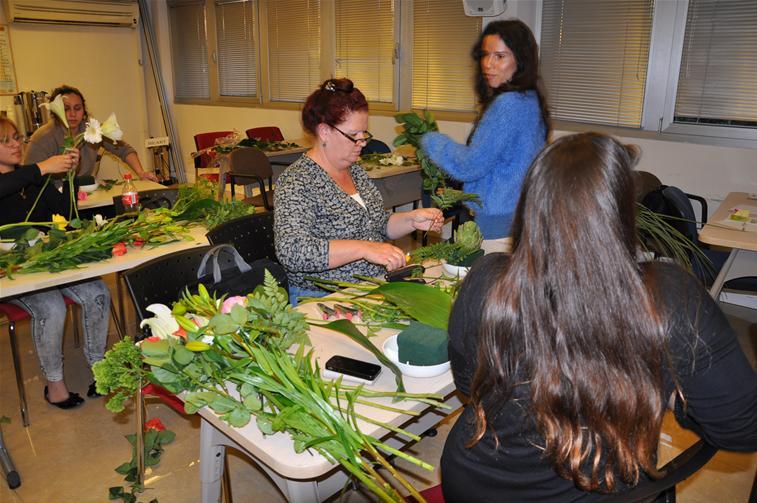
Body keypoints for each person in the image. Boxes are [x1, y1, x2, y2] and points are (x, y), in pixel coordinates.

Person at [442, 132, 757, 501]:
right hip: (594, 489)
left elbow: (468, 384)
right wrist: (666, 393)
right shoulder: (669, 296)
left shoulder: (486, 279)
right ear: (622, 210)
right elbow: (742, 430)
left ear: (531, 204)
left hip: (474, 483)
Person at [274, 78, 443, 303]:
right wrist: (363, 249)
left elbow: (377, 224)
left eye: (364, 133)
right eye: (354, 135)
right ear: (324, 131)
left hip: (368, 288)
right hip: (324, 299)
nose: (362, 142)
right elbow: (293, 252)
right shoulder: (297, 181)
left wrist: (411, 220)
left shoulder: (355, 171)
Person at [0, 117, 110, 409]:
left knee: (98, 292)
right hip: (13, 272)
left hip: (48, 262)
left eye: (16, 137)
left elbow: (65, 213)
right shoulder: (29, 174)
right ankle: (55, 384)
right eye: (5, 140)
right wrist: (41, 168)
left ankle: (100, 370)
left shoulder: (33, 178)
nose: (15, 144)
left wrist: (70, 180)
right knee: (51, 307)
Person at [421, 20, 549, 254]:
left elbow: (469, 165)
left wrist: (431, 141)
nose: (488, 64)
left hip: (497, 223)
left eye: (500, 56)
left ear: (520, 61)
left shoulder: (508, 105)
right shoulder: (529, 99)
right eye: (485, 55)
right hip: (519, 216)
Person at [22, 84, 158, 182]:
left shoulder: (92, 130)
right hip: (52, 200)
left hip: (85, 194)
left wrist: (141, 172)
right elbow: (28, 176)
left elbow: (125, 150)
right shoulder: (42, 137)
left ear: (84, 110)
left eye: (77, 108)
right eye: (66, 109)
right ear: (55, 111)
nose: (72, 114)